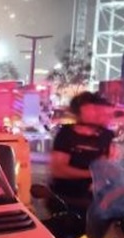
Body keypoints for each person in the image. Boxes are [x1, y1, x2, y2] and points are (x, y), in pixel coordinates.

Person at [49, 91, 115, 221]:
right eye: (91, 111)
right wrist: (92, 174)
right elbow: (58, 170)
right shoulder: (66, 134)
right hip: (67, 198)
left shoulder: (107, 135)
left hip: (98, 200)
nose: (97, 114)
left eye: (97, 110)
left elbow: (109, 164)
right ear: (78, 112)